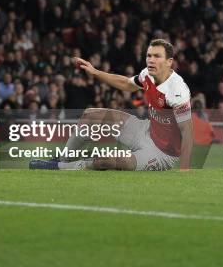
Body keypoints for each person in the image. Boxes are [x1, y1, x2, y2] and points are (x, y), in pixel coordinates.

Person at [30, 39, 193, 171]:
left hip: (162, 153)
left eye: (157, 56)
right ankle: (63, 158)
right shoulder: (148, 74)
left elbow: (187, 131)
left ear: (169, 62)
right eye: (149, 55)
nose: (151, 60)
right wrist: (95, 72)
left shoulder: (177, 91)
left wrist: (184, 171)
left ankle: (60, 167)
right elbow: (127, 84)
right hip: (146, 130)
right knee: (91, 115)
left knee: (106, 161)